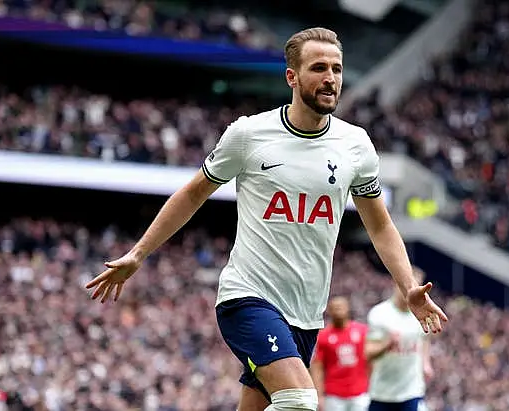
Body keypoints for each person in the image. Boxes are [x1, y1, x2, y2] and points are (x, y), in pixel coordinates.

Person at [85, 27, 448, 411]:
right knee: (300, 399)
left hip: (306, 314)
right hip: (248, 297)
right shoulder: (249, 134)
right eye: (319, 68)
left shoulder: (356, 145)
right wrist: (139, 254)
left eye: (337, 69)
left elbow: (379, 224)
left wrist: (407, 285)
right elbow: (193, 193)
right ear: (292, 77)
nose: (330, 78)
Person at [365, 267, 435, 411]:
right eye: (409, 286)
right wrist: (387, 344)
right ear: (396, 283)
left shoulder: (421, 314)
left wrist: (426, 363)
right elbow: (368, 353)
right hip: (382, 392)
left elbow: (424, 338)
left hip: (412, 391)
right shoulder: (380, 314)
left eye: (418, 287)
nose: (414, 292)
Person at [311, 296, 370, 411]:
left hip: (360, 393)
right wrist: (319, 395)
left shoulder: (362, 331)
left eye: (341, 306)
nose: (338, 309)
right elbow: (317, 367)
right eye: (334, 307)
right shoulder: (323, 336)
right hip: (334, 394)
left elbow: (370, 360)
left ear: (348, 308)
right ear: (329, 311)